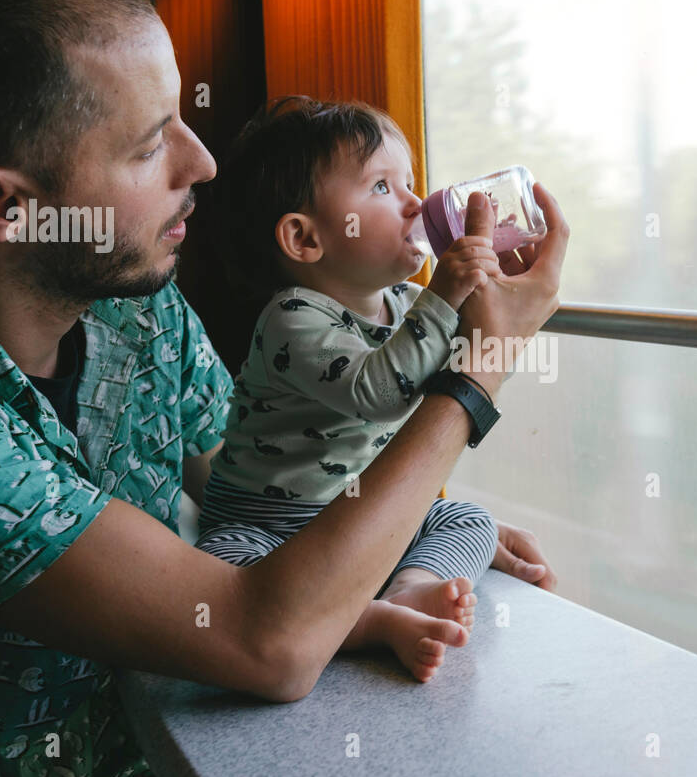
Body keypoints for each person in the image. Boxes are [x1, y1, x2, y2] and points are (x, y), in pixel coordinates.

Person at [0, 0, 567, 777]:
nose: (204, 164)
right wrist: (478, 372)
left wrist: (423, 521)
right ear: (7, 206)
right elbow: (268, 642)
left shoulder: (137, 309)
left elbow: (275, 474)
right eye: (151, 144)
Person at [195, 97, 510, 683]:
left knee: (469, 520)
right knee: (221, 563)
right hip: (271, 524)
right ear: (305, 239)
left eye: (411, 181)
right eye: (382, 188)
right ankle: (364, 621)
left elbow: (466, 365)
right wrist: (446, 296)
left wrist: (490, 286)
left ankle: (413, 586)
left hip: (366, 517)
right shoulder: (294, 316)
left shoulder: (410, 305)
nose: (417, 203)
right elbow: (380, 393)